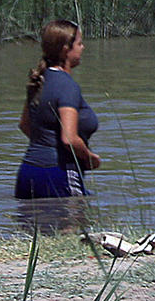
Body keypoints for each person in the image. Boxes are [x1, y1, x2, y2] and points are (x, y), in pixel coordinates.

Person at [14, 19, 101, 199]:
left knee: (34, 227)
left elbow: (24, 125)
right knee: (73, 225)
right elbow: (69, 139)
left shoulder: (39, 81)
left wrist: (45, 145)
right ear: (65, 49)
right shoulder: (67, 86)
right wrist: (88, 157)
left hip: (28, 172)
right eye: (79, 43)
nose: (83, 48)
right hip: (59, 172)